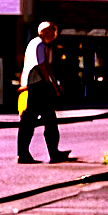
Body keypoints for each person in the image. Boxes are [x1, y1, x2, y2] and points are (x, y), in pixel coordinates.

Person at [17, 21, 69, 164]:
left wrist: (55, 84)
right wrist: (48, 84)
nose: (54, 35)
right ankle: (52, 154)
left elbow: (48, 67)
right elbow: (41, 66)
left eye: (55, 31)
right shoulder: (39, 44)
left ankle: (24, 154)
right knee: (47, 120)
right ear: (44, 32)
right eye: (52, 31)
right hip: (38, 86)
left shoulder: (42, 45)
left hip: (35, 85)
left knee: (30, 120)